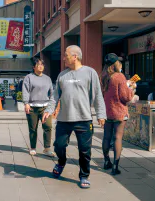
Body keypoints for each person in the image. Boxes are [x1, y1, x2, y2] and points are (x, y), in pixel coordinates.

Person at [42, 45, 106, 189]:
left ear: (75, 56)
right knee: (59, 146)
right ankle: (61, 162)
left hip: (84, 119)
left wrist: (101, 114)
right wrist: (49, 110)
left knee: (85, 150)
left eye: (66, 55)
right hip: (64, 119)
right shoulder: (62, 75)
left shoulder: (90, 73)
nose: (64, 58)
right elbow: (55, 96)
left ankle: (84, 175)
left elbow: (98, 96)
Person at [101, 53, 135, 175]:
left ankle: (106, 161)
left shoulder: (104, 76)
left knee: (106, 137)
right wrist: (131, 88)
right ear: (116, 63)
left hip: (107, 112)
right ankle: (115, 166)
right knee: (118, 138)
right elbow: (125, 97)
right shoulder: (119, 76)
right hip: (119, 111)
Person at [22, 57, 56, 157]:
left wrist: (51, 106)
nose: (41, 66)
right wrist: (26, 103)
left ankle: (47, 148)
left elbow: (52, 93)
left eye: (42, 64)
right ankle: (33, 147)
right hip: (32, 107)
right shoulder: (29, 77)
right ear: (34, 67)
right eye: (38, 65)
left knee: (48, 127)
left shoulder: (47, 78)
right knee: (33, 128)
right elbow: (25, 91)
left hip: (45, 107)